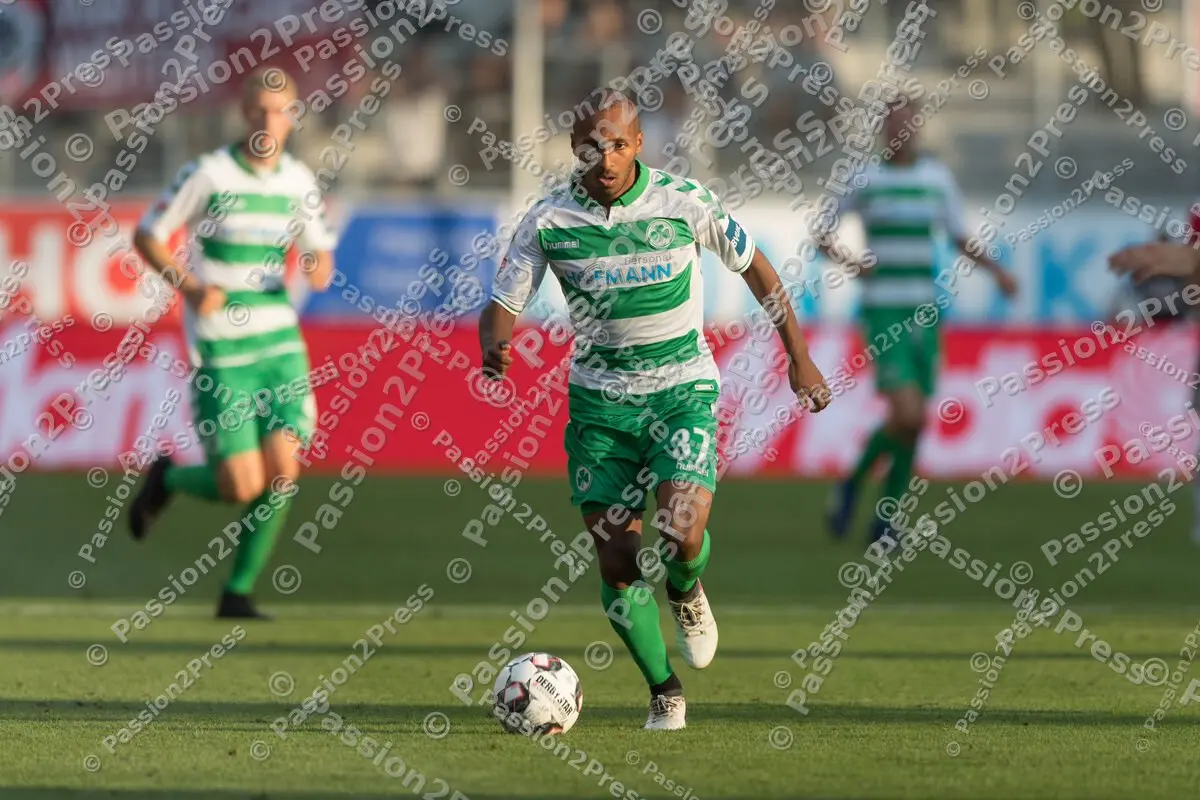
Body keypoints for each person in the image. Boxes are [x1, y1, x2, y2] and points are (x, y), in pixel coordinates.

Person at [477, 89, 831, 730]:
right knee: (615, 558)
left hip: (682, 393)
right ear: (575, 149)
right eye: (593, 145)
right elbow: (502, 302)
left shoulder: (685, 203)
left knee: (680, 530)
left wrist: (798, 357)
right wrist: (494, 345)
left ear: (639, 144)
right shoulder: (549, 220)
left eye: (618, 143)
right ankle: (665, 690)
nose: (605, 157)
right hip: (600, 409)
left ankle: (685, 587)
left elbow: (758, 271)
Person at [128, 68, 336, 619]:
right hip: (223, 348)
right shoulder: (210, 174)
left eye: (281, 110)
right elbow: (148, 234)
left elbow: (319, 252)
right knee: (242, 485)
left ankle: (237, 591)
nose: (271, 121)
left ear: (293, 118)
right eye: (261, 110)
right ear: (245, 115)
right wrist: (191, 287)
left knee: (284, 470)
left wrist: (317, 265)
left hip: (279, 344)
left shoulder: (299, 182)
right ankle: (167, 479)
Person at [818, 97, 1018, 543]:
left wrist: (998, 272)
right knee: (906, 411)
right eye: (893, 123)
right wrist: (854, 264)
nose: (900, 130)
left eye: (908, 122)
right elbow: (821, 237)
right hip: (883, 310)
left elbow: (958, 236)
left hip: (926, 312)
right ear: (883, 130)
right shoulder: (864, 177)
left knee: (915, 420)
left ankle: (883, 515)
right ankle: (856, 488)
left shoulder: (936, 179)